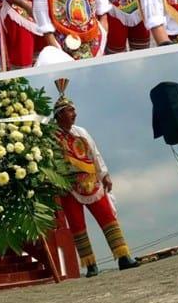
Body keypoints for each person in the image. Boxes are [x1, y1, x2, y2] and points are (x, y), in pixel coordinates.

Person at [53, 78, 139, 277]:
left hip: (91, 181)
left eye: (74, 110)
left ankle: (123, 257)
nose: (74, 114)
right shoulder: (52, 136)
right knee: (77, 226)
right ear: (59, 115)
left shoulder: (81, 132)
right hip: (68, 186)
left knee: (108, 218)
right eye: (70, 111)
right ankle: (91, 265)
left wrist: (105, 174)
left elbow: (94, 153)